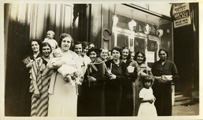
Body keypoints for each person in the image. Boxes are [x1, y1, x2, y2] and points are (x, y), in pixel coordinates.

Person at [47, 33, 81, 117]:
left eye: (68, 42)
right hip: (57, 84)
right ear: (60, 42)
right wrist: (64, 62)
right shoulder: (54, 53)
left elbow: (78, 70)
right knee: (56, 108)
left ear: (71, 44)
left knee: (68, 108)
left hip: (70, 84)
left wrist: (73, 76)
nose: (66, 43)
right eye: (64, 41)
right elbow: (50, 66)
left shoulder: (74, 55)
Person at [79, 48, 108, 116]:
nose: (92, 56)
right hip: (91, 91)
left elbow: (107, 77)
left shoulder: (102, 63)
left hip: (99, 90)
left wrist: (96, 80)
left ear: (97, 55)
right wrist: (85, 80)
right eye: (90, 54)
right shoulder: (89, 64)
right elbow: (86, 77)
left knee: (99, 109)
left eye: (94, 54)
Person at [152, 49, 179, 116]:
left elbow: (176, 76)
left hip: (166, 88)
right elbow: (152, 75)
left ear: (167, 55)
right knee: (158, 105)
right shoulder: (155, 64)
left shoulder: (171, 64)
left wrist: (169, 79)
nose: (162, 56)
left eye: (164, 54)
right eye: (161, 54)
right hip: (157, 88)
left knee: (166, 106)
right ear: (159, 55)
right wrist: (157, 78)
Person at [29, 42, 53, 116]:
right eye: (44, 49)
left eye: (48, 49)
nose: (46, 51)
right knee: (37, 109)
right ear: (41, 50)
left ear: (51, 49)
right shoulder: (38, 60)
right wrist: (36, 90)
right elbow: (33, 76)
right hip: (39, 88)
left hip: (50, 89)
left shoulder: (53, 61)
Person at [105, 46, 128, 116]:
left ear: (120, 54)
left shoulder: (123, 64)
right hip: (108, 89)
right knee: (108, 108)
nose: (115, 54)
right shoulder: (108, 63)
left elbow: (126, 78)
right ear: (111, 54)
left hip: (118, 89)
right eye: (113, 53)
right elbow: (103, 75)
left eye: (117, 53)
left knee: (117, 108)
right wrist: (108, 75)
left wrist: (116, 77)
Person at [128, 51, 152, 116]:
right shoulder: (132, 64)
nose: (140, 58)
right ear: (136, 57)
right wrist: (138, 72)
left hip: (143, 87)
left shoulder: (145, 66)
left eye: (142, 57)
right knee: (134, 104)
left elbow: (151, 78)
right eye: (138, 56)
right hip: (134, 86)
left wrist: (147, 75)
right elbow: (129, 75)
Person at [120, 47, 134, 116]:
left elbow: (134, 75)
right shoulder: (118, 61)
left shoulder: (131, 62)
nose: (125, 54)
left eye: (126, 53)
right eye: (123, 52)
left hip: (128, 85)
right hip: (120, 84)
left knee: (127, 103)